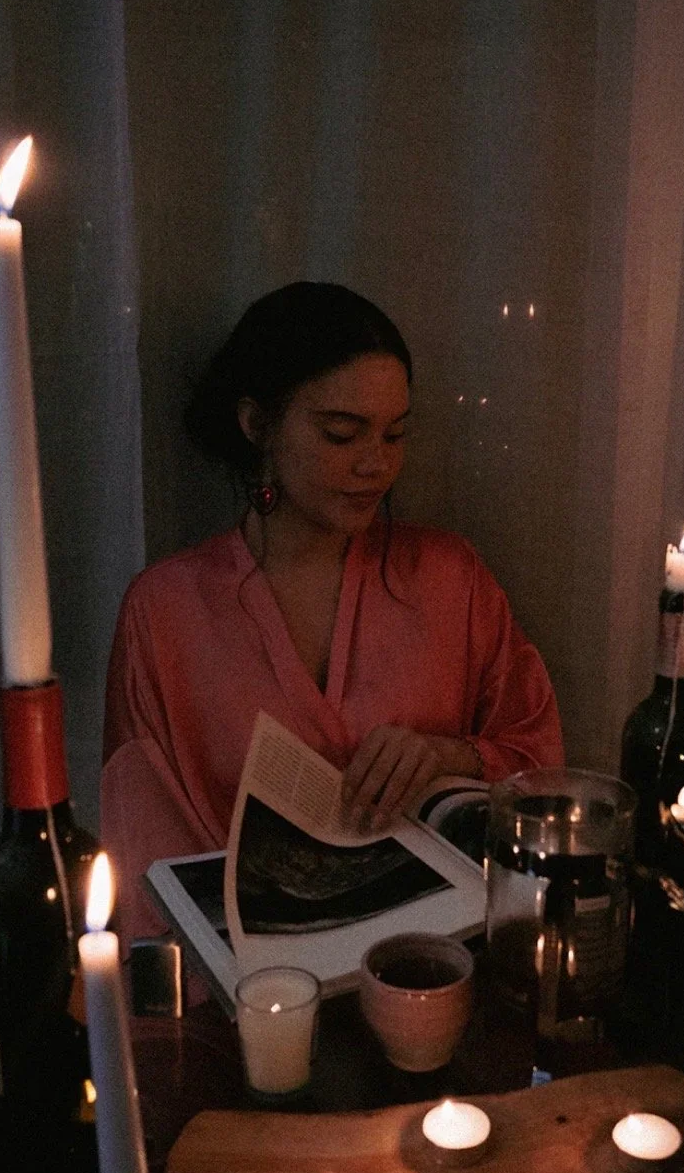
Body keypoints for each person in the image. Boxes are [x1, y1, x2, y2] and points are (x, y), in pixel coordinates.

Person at [101, 282, 564, 945]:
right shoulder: (165, 611)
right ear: (257, 424)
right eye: (341, 433)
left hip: (439, 969)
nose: (376, 465)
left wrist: (446, 755)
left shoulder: (449, 578)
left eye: (395, 434)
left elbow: (542, 768)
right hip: (249, 991)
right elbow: (147, 862)